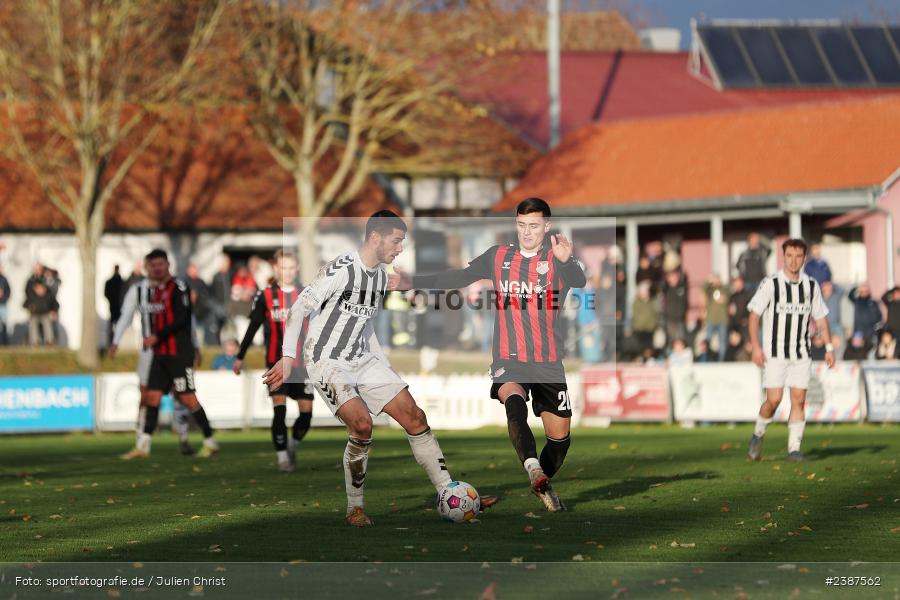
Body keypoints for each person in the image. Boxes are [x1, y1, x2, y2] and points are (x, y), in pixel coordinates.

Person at [264, 211, 498, 526]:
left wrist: (383, 367)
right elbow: (298, 309)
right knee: (362, 426)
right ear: (376, 236)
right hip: (326, 361)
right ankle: (355, 509)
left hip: (364, 359)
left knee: (415, 416)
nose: (400, 248)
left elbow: (365, 324)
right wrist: (288, 357)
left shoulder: (379, 276)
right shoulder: (342, 269)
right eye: (397, 240)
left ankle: (449, 492)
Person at [390, 198, 586, 512]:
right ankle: (533, 467)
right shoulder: (499, 256)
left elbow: (578, 280)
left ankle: (543, 480)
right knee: (513, 399)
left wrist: (566, 261)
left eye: (533, 226)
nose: (526, 232)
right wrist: (414, 282)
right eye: (521, 225)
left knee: (561, 440)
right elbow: (458, 277)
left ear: (547, 226)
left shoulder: (557, 258)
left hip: (549, 360)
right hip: (509, 356)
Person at [118, 249, 219, 460]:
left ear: (167, 265)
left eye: (160, 264)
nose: (157, 268)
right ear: (148, 268)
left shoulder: (179, 287)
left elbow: (183, 318)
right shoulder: (152, 291)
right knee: (151, 397)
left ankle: (210, 441)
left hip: (178, 355)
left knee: (188, 398)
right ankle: (143, 446)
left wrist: (159, 336)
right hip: (158, 355)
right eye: (153, 265)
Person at [746, 238, 834, 463]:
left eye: (798, 256)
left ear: (804, 258)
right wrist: (755, 347)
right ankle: (758, 433)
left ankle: (794, 449)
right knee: (773, 400)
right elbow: (754, 316)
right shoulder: (771, 283)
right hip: (775, 353)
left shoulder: (811, 285)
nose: (793, 261)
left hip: (801, 353)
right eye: (789, 256)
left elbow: (821, 319)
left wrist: (829, 347)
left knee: (798, 399)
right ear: (783, 257)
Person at [234, 251, 315, 472]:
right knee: (279, 410)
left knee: (306, 415)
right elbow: (253, 327)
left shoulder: (307, 294)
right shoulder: (265, 295)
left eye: (290, 267)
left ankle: (292, 445)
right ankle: (282, 459)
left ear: (296, 268)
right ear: (276, 269)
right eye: (282, 267)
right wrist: (240, 356)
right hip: (275, 362)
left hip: (303, 365)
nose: (286, 272)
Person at [24, 263, 57, 345]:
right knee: (33, 326)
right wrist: (29, 305)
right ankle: (35, 343)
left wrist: (53, 310)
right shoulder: (30, 281)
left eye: (39, 269)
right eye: (36, 269)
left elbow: (52, 296)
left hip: (45, 310)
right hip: (35, 309)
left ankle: (49, 342)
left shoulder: (46, 280)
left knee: (47, 325)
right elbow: (27, 294)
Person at [702, 274, 730, 362]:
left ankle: (721, 360)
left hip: (722, 320)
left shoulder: (725, 289)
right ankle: (706, 359)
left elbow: (727, 298)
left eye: (717, 279)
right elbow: (703, 289)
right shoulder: (710, 290)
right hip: (711, 319)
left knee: (722, 343)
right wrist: (708, 281)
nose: (716, 281)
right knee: (707, 342)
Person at [661, 269, 688, 349]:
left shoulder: (681, 288)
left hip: (680, 319)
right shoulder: (667, 289)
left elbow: (685, 303)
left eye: (675, 276)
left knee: (681, 339)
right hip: (670, 318)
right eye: (671, 277)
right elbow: (662, 285)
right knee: (671, 340)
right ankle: (671, 357)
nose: (673, 279)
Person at [104, 265, 125, 347]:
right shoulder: (114, 282)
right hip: (113, 307)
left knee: (119, 325)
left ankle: (116, 342)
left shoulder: (121, 282)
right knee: (112, 326)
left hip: (119, 307)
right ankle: (112, 343)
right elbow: (106, 294)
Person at [0, 264, 10, 345]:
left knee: (4, 324)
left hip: (2, 304)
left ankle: (4, 342)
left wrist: (3, 297)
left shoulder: (4, 279)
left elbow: (8, 292)